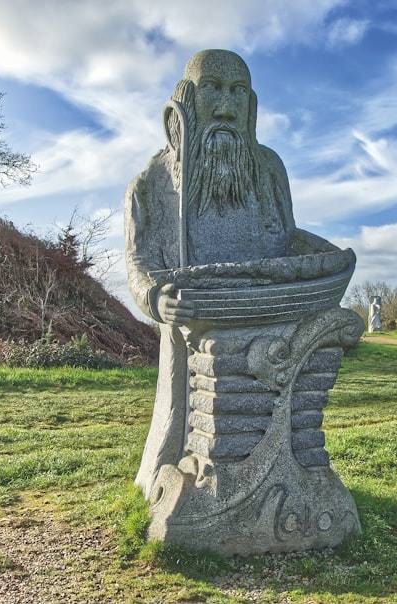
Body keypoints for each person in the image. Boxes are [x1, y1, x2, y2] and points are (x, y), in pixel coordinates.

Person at [124, 49, 338, 496]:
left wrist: (325, 256)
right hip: (195, 324)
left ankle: (294, 475)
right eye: (212, 89)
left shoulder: (269, 169)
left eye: (237, 91)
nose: (225, 105)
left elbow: (287, 235)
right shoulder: (154, 182)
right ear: (186, 99)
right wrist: (154, 299)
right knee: (197, 411)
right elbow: (138, 259)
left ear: (251, 104)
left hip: (268, 311)